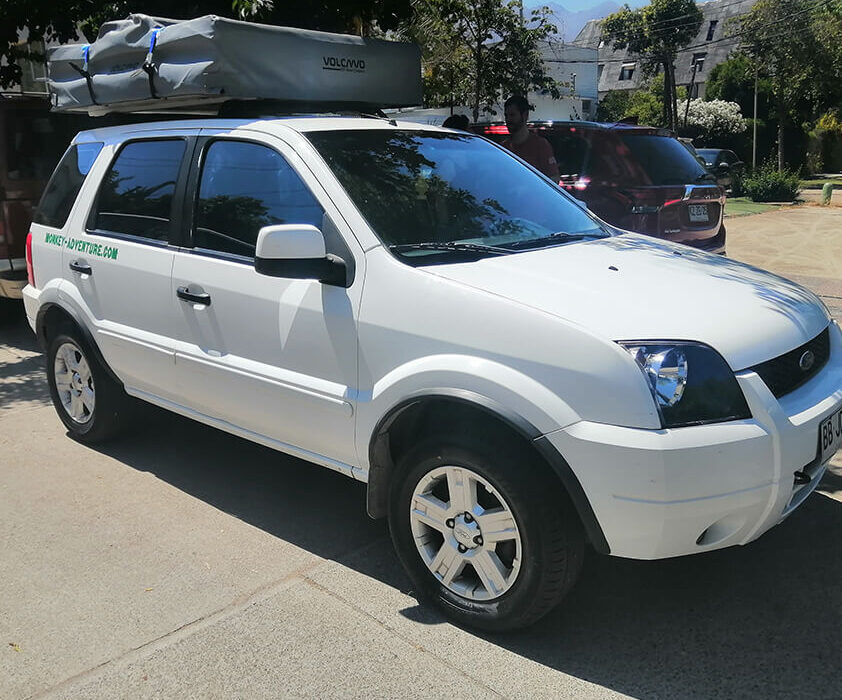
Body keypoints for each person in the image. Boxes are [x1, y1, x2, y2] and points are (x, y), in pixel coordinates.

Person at [502, 95, 560, 181]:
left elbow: (554, 179)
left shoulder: (540, 146)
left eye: (512, 115)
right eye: (506, 116)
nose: (508, 119)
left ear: (525, 115)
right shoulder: (503, 148)